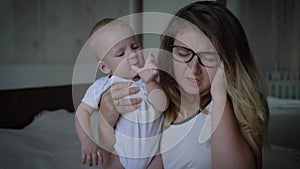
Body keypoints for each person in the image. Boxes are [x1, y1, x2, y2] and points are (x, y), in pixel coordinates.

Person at [97, 1, 270, 169]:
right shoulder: (158, 99)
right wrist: (105, 120)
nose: (193, 68)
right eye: (183, 53)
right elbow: (118, 163)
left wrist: (219, 95)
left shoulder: (243, 108)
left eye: (208, 57)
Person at [74, 18, 168, 169]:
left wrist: (150, 82)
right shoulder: (102, 86)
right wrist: (87, 139)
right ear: (105, 67)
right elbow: (82, 112)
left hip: (153, 154)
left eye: (135, 46)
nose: (132, 55)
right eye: (121, 53)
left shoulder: (152, 78)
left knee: (163, 158)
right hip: (118, 155)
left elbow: (162, 106)